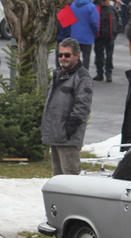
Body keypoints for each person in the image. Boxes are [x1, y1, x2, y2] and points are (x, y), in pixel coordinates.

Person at [41, 38, 93, 176]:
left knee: (70, 179)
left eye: (67, 55)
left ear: (77, 55)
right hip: (56, 136)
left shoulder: (82, 77)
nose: (63, 58)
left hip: (68, 139)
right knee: (57, 180)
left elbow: (82, 106)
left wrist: (69, 129)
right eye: (60, 55)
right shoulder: (58, 74)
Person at [93, 0, 120, 82]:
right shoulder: (96, 8)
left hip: (109, 36)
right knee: (99, 56)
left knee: (109, 57)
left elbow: (118, 21)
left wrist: (115, 33)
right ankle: (100, 73)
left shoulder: (112, 9)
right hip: (99, 37)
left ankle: (108, 74)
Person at [69, 0, 99, 69]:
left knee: (74, 58)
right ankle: (84, 75)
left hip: (74, 35)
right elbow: (94, 22)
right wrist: (96, 32)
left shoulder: (73, 5)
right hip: (87, 36)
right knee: (86, 58)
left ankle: (73, 74)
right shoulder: (91, 7)